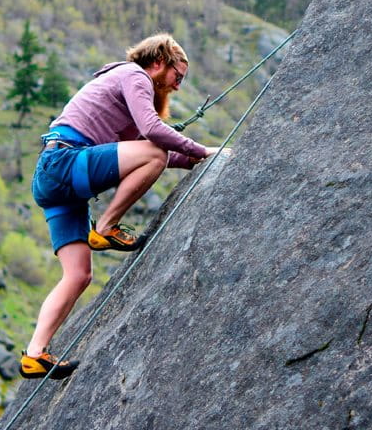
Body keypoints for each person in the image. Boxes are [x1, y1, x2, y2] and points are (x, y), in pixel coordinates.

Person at [19, 34, 221, 379]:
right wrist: (201, 150)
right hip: (66, 163)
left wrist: (196, 159)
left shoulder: (121, 89)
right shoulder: (135, 76)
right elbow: (152, 135)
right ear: (159, 63)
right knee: (154, 152)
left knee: (79, 274)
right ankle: (107, 226)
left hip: (55, 180)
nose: (177, 86)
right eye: (178, 76)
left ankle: (34, 354)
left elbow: (141, 149)